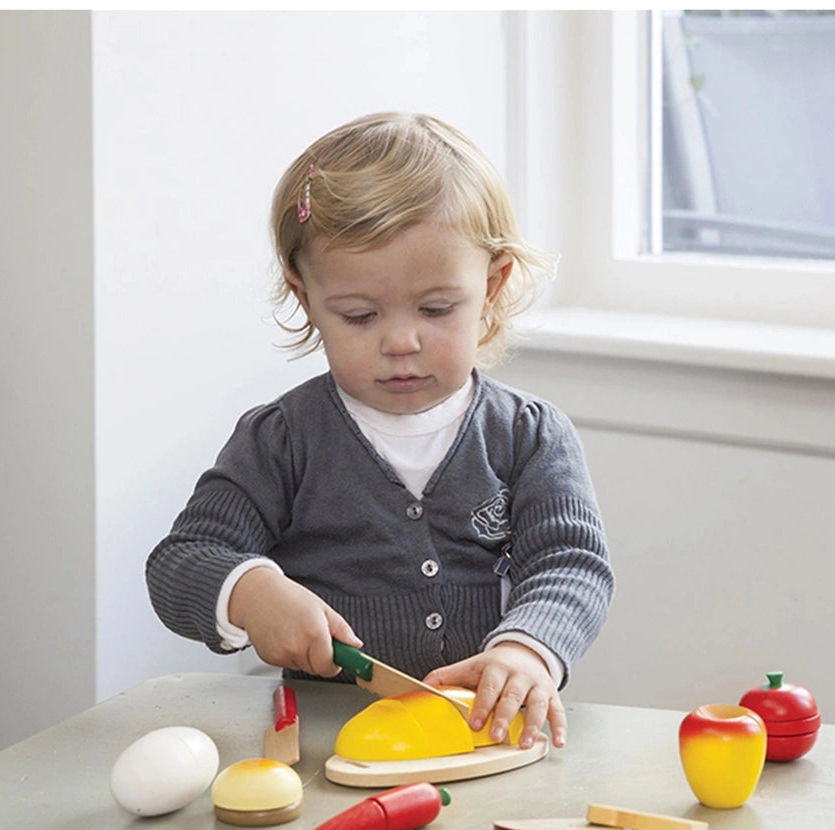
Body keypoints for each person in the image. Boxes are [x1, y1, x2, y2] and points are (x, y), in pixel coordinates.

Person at [146, 112, 613, 751]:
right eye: (360, 315)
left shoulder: (530, 436)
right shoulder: (281, 440)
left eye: (437, 309)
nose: (400, 342)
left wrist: (530, 649)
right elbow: (181, 561)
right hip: (326, 748)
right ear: (306, 297)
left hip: (488, 739)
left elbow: (572, 563)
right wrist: (252, 593)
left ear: (493, 286)